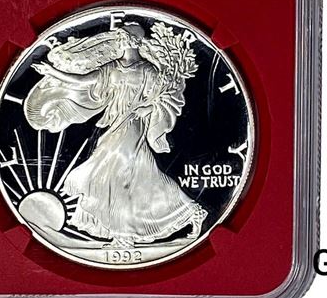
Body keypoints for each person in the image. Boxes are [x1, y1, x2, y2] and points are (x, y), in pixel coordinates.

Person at [26, 23, 206, 248]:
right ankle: (191, 212)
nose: (120, 41)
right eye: (120, 37)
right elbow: (82, 81)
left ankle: (124, 236)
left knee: (116, 172)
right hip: (116, 124)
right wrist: (53, 72)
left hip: (134, 125)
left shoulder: (149, 70)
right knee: (140, 176)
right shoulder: (111, 68)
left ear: (134, 41)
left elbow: (162, 98)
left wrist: (147, 108)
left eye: (123, 37)